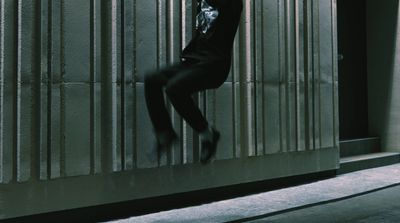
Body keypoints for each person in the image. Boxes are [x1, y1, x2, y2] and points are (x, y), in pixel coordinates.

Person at [144, 0, 243, 164]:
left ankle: (208, 135)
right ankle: (165, 134)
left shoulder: (231, 4)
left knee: (174, 88)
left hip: (214, 65)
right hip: (193, 61)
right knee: (153, 79)